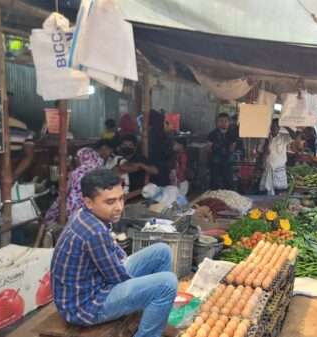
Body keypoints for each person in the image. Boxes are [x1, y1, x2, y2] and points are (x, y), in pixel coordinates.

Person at [51, 169, 177, 337]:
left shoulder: (85, 214)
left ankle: (154, 314)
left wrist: (144, 289)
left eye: (120, 198)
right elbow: (118, 278)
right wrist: (144, 291)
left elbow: (116, 254)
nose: (119, 207)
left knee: (162, 251)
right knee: (167, 284)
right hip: (86, 307)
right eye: (110, 202)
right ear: (88, 202)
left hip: (95, 286)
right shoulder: (93, 232)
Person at [44, 148, 103, 224]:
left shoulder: (80, 171)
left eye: (77, 157)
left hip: (77, 211)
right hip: (95, 210)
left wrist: (63, 214)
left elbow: (73, 196)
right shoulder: (100, 170)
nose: (75, 160)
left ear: (83, 158)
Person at [259, 118, 297, 195]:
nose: (274, 127)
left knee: (279, 192)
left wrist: (286, 126)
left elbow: (295, 137)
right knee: (265, 192)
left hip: (279, 170)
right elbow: (260, 153)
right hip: (267, 169)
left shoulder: (283, 137)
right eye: (273, 125)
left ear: (280, 127)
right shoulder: (265, 138)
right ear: (270, 126)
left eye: (277, 125)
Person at [206, 113, 237, 190]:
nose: (223, 123)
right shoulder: (212, 134)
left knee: (228, 184)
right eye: (221, 121)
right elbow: (208, 148)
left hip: (227, 163)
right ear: (217, 122)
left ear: (228, 122)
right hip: (215, 163)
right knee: (214, 185)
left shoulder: (232, 134)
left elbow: (232, 148)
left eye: (225, 121)